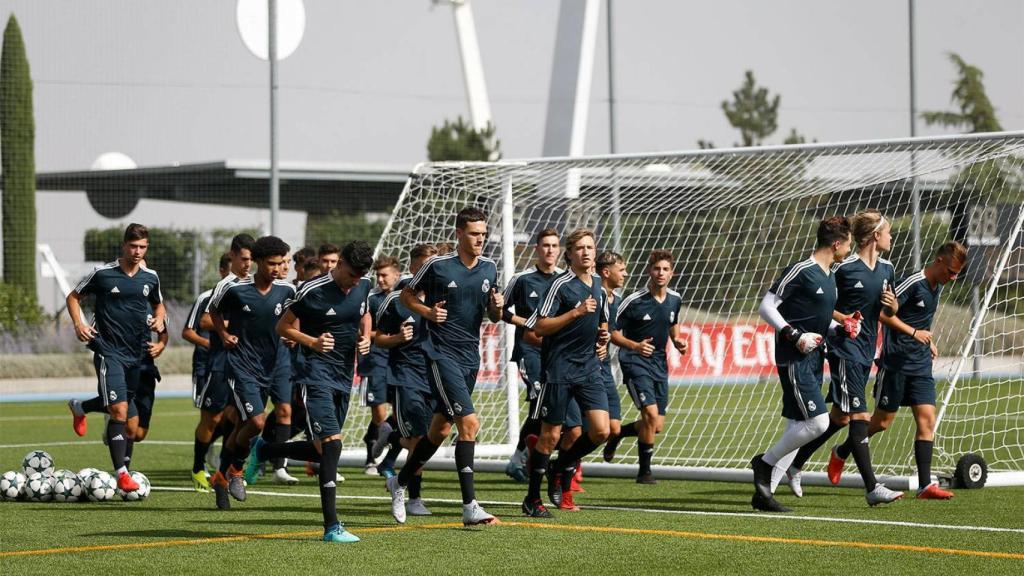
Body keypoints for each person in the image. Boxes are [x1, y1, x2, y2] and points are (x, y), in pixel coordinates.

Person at [249, 240, 374, 543]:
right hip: (314, 375)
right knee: (331, 447)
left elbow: (364, 313)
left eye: (360, 276)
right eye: (352, 274)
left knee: (324, 450)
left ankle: (265, 450)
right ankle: (332, 527)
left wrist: (366, 337)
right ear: (339, 263)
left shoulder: (364, 285)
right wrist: (313, 342)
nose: (355, 280)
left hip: (345, 377)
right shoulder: (311, 291)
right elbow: (283, 327)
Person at [385, 206, 503, 526]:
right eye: (475, 233)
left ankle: (399, 482)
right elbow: (406, 297)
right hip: (440, 354)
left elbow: (493, 316)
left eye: (483, 233)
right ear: (459, 233)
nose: (481, 239)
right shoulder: (438, 266)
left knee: (439, 430)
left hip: (470, 357)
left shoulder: (490, 268)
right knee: (470, 424)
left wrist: (496, 309)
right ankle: (470, 507)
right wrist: (427, 312)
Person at [786, 210, 904, 506]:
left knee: (839, 418)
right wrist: (843, 320)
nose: (892, 237)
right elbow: (823, 303)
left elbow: (888, 314)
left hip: (866, 352)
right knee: (861, 416)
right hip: (843, 350)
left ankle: (794, 464)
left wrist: (892, 306)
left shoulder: (887, 269)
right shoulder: (844, 268)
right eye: (888, 232)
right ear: (876, 236)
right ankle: (872, 488)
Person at [834, 241, 967, 500]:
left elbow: (920, 321)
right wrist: (914, 333)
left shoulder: (937, 286)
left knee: (928, 421)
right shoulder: (912, 282)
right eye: (951, 271)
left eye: (957, 274)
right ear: (939, 260)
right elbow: (882, 314)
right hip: (895, 364)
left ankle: (925, 485)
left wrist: (928, 340)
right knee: (881, 423)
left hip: (920, 365)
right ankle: (841, 451)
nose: (953, 277)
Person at [749, 216, 851, 512]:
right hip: (794, 357)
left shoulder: (830, 275)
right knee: (818, 422)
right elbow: (766, 307)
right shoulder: (800, 270)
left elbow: (818, 320)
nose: (848, 250)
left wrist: (839, 329)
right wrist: (793, 335)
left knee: (797, 425)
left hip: (815, 358)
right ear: (836, 244)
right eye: (847, 245)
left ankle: (764, 494)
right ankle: (763, 464)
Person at [65, 223, 166, 493]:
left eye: (142, 247)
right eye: (133, 246)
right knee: (119, 410)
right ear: (124, 245)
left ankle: (80, 407)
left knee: (126, 417)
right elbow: (73, 297)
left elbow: (158, 304)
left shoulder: (150, 277)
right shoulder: (103, 273)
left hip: (137, 354)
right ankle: (122, 474)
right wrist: (79, 323)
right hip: (108, 350)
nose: (137, 251)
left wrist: (159, 318)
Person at [521, 228, 611, 517]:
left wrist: (604, 340)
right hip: (558, 369)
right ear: (569, 254)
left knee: (601, 431)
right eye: (580, 248)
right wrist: (575, 313)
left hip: (588, 369)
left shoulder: (598, 283)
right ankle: (532, 499)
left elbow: (603, 322)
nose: (586, 252)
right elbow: (538, 326)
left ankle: (560, 466)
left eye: (590, 247)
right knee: (550, 436)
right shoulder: (560, 285)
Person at [208, 235, 295, 509]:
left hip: (275, 364)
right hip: (242, 365)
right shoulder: (235, 289)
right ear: (257, 262)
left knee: (247, 424)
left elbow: (295, 315)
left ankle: (222, 477)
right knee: (256, 423)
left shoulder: (287, 290)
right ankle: (236, 471)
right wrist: (223, 333)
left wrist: (294, 334)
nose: (278, 268)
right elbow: (213, 309)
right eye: (272, 263)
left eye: (281, 263)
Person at [607, 250, 688, 483]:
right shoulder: (633, 301)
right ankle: (644, 472)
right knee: (650, 415)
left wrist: (678, 340)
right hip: (634, 362)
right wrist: (635, 346)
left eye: (665, 269)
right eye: (656, 269)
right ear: (648, 271)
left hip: (660, 364)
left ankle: (619, 434)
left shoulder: (675, 298)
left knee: (656, 425)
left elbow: (673, 323)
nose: (660, 273)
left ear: (671, 273)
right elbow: (611, 331)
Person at [374, 243, 439, 516]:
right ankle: (412, 497)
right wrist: (398, 338)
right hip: (407, 376)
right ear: (413, 268)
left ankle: (392, 434)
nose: (432, 271)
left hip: (436, 376)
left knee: (432, 436)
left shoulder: (444, 297)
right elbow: (377, 337)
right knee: (419, 440)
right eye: (426, 265)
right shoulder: (396, 300)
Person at [502, 228, 562, 483]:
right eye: (545, 245)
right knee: (539, 397)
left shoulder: (564, 280)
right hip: (529, 350)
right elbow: (500, 311)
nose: (550, 250)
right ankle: (521, 458)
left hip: (556, 353)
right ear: (537, 249)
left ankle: (527, 457)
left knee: (549, 406)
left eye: (554, 245)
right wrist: (526, 323)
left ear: (560, 250)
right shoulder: (522, 279)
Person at [181, 253, 232, 491]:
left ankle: (223, 462)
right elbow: (190, 330)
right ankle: (199, 464)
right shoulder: (207, 297)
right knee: (213, 417)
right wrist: (211, 343)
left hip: (239, 365)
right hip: (208, 365)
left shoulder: (247, 293)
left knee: (236, 418)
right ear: (222, 271)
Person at [359, 255, 402, 475]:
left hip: (398, 361)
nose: (381, 279)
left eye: (385, 275)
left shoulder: (404, 296)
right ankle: (370, 458)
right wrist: (387, 335)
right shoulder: (371, 298)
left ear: (397, 275)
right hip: (374, 359)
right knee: (379, 414)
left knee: (398, 413)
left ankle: (377, 453)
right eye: (378, 275)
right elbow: (362, 330)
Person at [596, 251, 627, 463]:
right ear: (607, 272)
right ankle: (566, 467)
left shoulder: (617, 301)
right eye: (622, 270)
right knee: (589, 429)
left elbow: (613, 332)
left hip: (604, 367)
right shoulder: (590, 294)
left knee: (614, 428)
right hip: (584, 367)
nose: (626, 274)